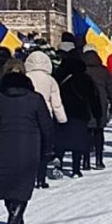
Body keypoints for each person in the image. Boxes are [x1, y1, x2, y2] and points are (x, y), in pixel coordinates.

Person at [0, 58, 53, 224]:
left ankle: (16, 222)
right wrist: (48, 150)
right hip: (29, 146)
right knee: (23, 186)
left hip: (2, 145)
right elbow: (46, 126)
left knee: (7, 186)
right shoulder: (35, 99)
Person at [24, 50, 66, 187]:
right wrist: (62, 118)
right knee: (44, 148)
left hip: (28, 115)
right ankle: (41, 178)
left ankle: (29, 176)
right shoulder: (50, 80)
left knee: (30, 147)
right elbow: (56, 102)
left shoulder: (26, 77)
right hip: (46, 115)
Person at [56, 50, 100, 177]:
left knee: (60, 141)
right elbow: (93, 97)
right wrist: (97, 113)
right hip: (80, 113)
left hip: (62, 112)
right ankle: (76, 169)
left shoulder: (58, 76)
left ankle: (58, 163)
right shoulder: (85, 78)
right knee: (78, 141)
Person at [82, 45, 111, 169]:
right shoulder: (103, 70)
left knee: (86, 132)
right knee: (99, 131)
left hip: (85, 102)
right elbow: (110, 87)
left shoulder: (82, 70)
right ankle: (99, 160)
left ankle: (86, 161)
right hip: (100, 102)